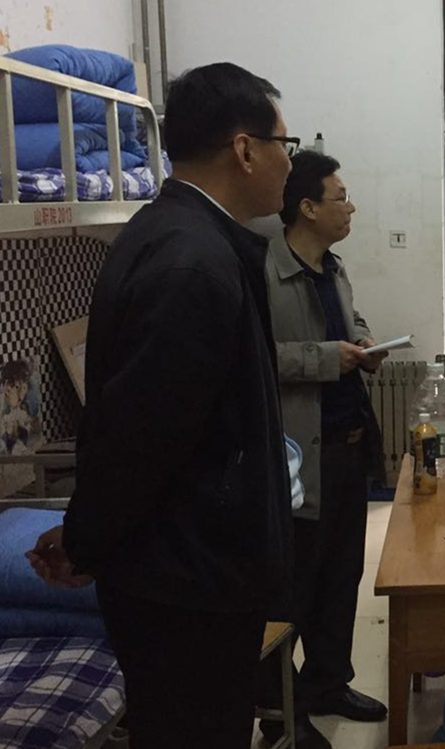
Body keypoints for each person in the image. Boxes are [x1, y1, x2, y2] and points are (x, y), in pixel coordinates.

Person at [26, 63, 297, 749]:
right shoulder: (192, 263)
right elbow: (140, 438)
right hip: (187, 584)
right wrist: (87, 538)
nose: (289, 164)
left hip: (188, 570)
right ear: (244, 149)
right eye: (284, 145)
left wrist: (88, 534)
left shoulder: (185, 237)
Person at [258, 150, 387, 747]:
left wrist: (363, 341)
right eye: (341, 197)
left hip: (346, 447)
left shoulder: (332, 268)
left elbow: (347, 319)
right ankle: (281, 713)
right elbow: (254, 357)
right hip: (296, 457)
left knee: (341, 577)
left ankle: (329, 683)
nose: (350, 207)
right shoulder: (263, 270)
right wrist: (324, 358)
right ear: (307, 207)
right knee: (293, 587)